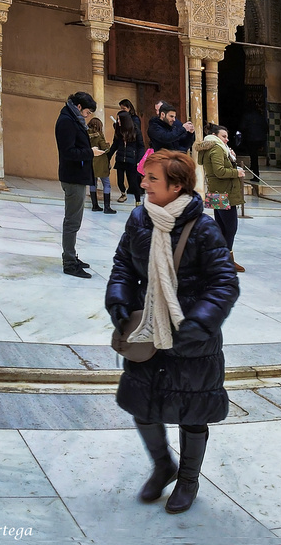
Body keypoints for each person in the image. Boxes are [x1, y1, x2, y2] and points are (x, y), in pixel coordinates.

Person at [105, 149, 237, 516]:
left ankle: (188, 479)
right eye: (144, 177)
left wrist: (198, 324)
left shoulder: (205, 228)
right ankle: (164, 465)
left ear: (177, 186)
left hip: (192, 337)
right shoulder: (139, 219)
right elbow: (122, 266)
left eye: (152, 179)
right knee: (141, 405)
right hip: (148, 330)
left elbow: (224, 283)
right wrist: (118, 299)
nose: (143, 183)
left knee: (192, 411)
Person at [56, 91, 102, 277]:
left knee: (75, 219)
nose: (88, 116)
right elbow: (68, 152)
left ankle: (72, 255)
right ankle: (69, 262)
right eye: (88, 112)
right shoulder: (67, 121)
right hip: (72, 176)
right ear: (79, 107)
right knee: (72, 221)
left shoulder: (72, 118)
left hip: (77, 175)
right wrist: (90, 153)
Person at [194, 124, 244, 272]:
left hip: (216, 192)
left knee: (221, 227)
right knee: (230, 228)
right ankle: (226, 260)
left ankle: (216, 258)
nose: (227, 139)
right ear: (215, 136)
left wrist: (231, 158)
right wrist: (237, 172)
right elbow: (220, 171)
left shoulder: (214, 148)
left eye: (227, 137)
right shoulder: (216, 149)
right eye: (224, 136)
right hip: (224, 193)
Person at [113, 101, 145, 206]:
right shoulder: (118, 131)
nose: (118, 121)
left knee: (133, 182)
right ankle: (123, 193)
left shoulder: (135, 131)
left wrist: (139, 160)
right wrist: (107, 156)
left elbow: (141, 146)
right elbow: (115, 145)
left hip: (132, 160)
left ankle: (138, 201)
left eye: (119, 119)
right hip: (121, 159)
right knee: (120, 181)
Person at [88, 109, 117, 214]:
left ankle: (94, 205)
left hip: (90, 161)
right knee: (107, 184)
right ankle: (107, 207)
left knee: (92, 183)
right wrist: (108, 145)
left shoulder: (86, 134)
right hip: (100, 162)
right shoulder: (99, 135)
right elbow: (105, 148)